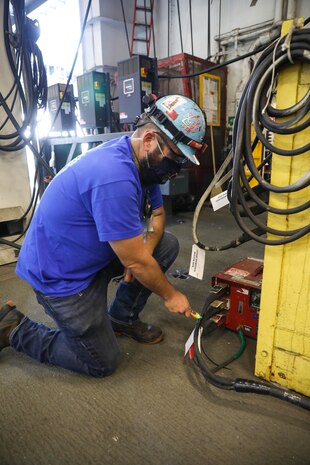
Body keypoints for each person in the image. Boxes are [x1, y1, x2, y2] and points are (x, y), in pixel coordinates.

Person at [0, 94, 207, 377]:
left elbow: (157, 222)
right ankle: (13, 328)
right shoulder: (115, 176)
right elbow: (137, 261)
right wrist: (170, 294)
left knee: (165, 245)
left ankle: (121, 317)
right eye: (174, 160)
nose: (174, 171)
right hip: (59, 276)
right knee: (101, 362)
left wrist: (138, 259)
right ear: (149, 140)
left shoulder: (143, 165)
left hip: (85, 253)